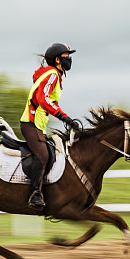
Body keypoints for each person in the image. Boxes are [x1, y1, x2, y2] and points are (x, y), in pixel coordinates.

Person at [19, 42, 77, 210]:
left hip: (38, 125)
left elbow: (52, 103)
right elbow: (43, 100)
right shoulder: (52, 74)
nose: (70, 60)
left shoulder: (55, 76)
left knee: (51, 153)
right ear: (58, 60)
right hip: (31, 123)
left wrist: (66, 117)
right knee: (43, 155)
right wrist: (63, 117)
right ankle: (35, 193)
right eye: (67, 57)